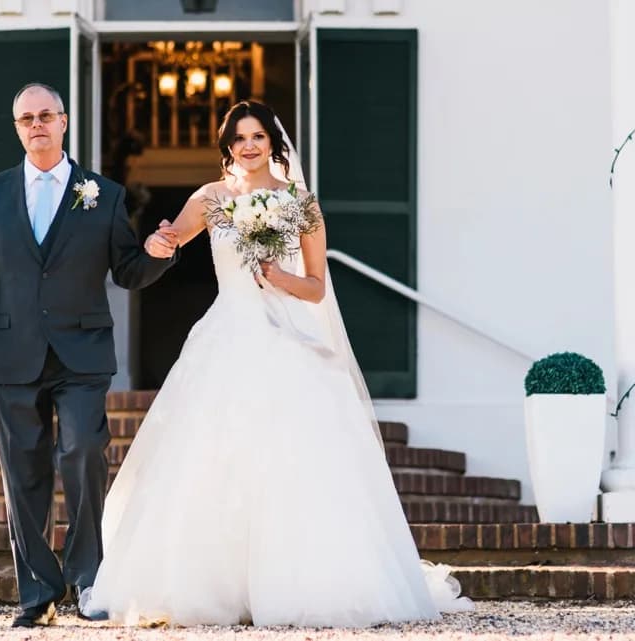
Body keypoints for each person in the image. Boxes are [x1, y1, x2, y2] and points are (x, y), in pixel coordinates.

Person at [83, 100, 473, 627]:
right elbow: (170, 238)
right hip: (226, 336)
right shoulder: (212, 197)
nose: (248, 146)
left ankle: (303, 583)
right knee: (210, 458)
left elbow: (316, 287)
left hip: (288, 339)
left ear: (274, 142)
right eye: (238, 138)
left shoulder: (301, 204)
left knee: (295, 459)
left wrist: (279, 278)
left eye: (257, 136)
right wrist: (156, 240)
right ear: (227, 147)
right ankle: (209, 588)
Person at [0, 82, 177, 628]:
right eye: (25, 118)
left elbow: (127, 270)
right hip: (13, 355)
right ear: (16, 128)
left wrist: (158, 253)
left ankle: (88, 580)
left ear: (63, 122)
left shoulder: (103, 194)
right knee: (24, 475)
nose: (36, 124)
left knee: (84, 452)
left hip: (82, 353)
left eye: (46, 115)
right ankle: (38, 594)